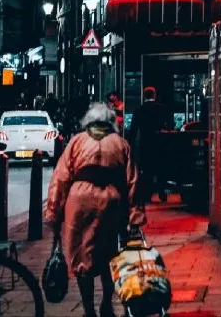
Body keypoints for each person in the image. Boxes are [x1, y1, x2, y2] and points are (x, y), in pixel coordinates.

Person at [46, 102, 145, 317]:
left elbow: (60, 178)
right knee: (110, 253)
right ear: (110, 123)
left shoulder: (76, 142)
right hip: (111, 201)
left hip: (78, 202)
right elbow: (133, 181)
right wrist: (135, 215)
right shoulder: (121, 144)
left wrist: (53, 211)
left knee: (82, 256)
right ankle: (107, 303)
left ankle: (88, 309)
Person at [129, 86, 169, 204]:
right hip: (160, 142)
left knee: (146, 170)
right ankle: (162, 193)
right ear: (154, 95)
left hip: (145, 143)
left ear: (144, 96)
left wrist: (129, 142)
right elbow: (169, 124)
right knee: (161, 169)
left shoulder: (139, 110)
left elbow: (133, 129)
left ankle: (147, 194)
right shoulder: (162, 109)